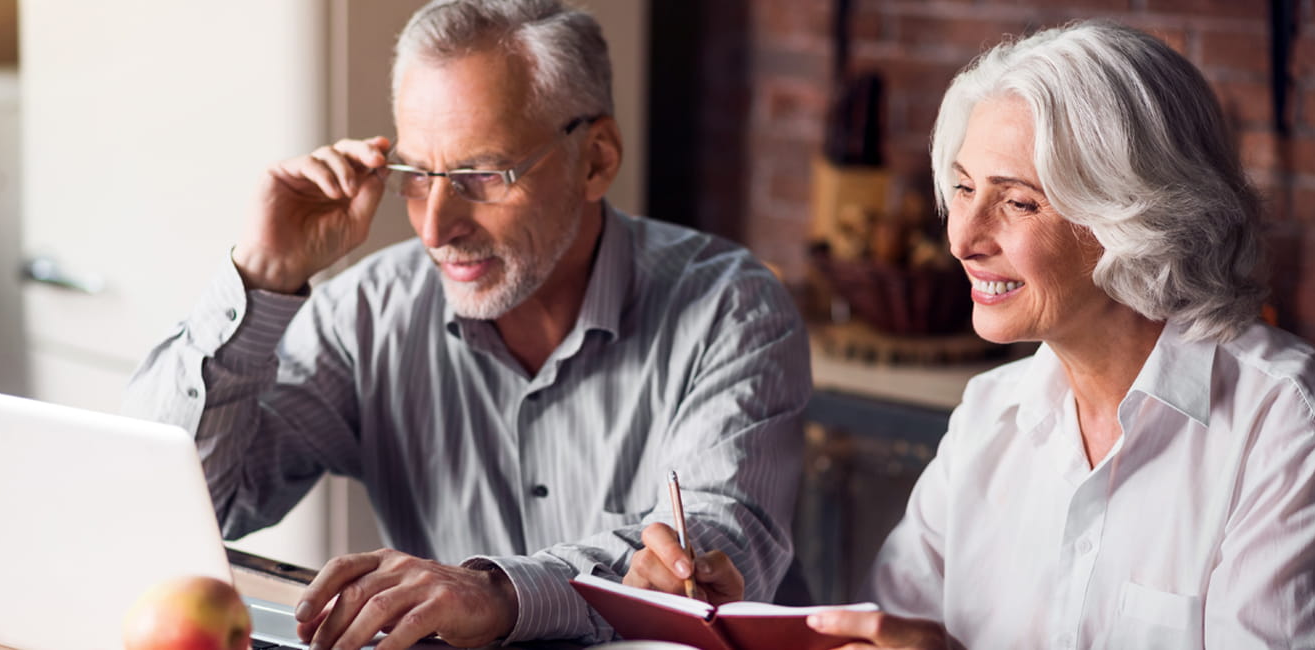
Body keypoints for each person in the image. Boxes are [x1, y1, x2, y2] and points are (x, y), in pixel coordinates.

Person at [628, 20, 1315, 649]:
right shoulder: (987, 416)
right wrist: (741, 621)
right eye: (963, 189)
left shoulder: (1285, 425)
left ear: (1135, 217)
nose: (963, 238)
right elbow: (886, 629)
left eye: (1017, 202)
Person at [122, 0, 809, 648]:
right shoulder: (366, 314)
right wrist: (261, 276)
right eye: (416, 175)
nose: (433, 227)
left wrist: (497, 593)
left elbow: (721, 551)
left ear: (595, 159)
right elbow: (178, 507)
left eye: (481, 175)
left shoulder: (730, 308)